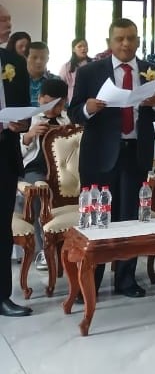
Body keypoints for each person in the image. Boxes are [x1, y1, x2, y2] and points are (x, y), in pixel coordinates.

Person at [69, 18, 155, 298]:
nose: (126, 44)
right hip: (99, 154)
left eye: (131, 38)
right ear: (109, 42)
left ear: (138, 41)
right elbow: (74, 112)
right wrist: (88, 108)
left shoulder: (154, 71)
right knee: (97, 217)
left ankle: (126, 279)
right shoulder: (90, 71)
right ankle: (90, 280)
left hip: (135, 151)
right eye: (120, 39)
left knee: (130, 218)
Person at [18, 78, 68, 273]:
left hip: (62, 170)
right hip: (35, 169)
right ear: (39, 99)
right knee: (39, 195)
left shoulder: (67, 120)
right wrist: (29, 136)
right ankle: (42, 251)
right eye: (47, 104)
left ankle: (68, 246)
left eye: (58, 105)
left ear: (64, 103)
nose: (52, 110)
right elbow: (17, 153)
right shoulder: (29, 118)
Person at [0, 40, 33, 316]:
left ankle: (2, 297)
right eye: (2, 20)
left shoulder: (14, 61)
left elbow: (24, 107)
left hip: (5, 154)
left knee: (2, 227)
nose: (7, 24)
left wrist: (22, 123)